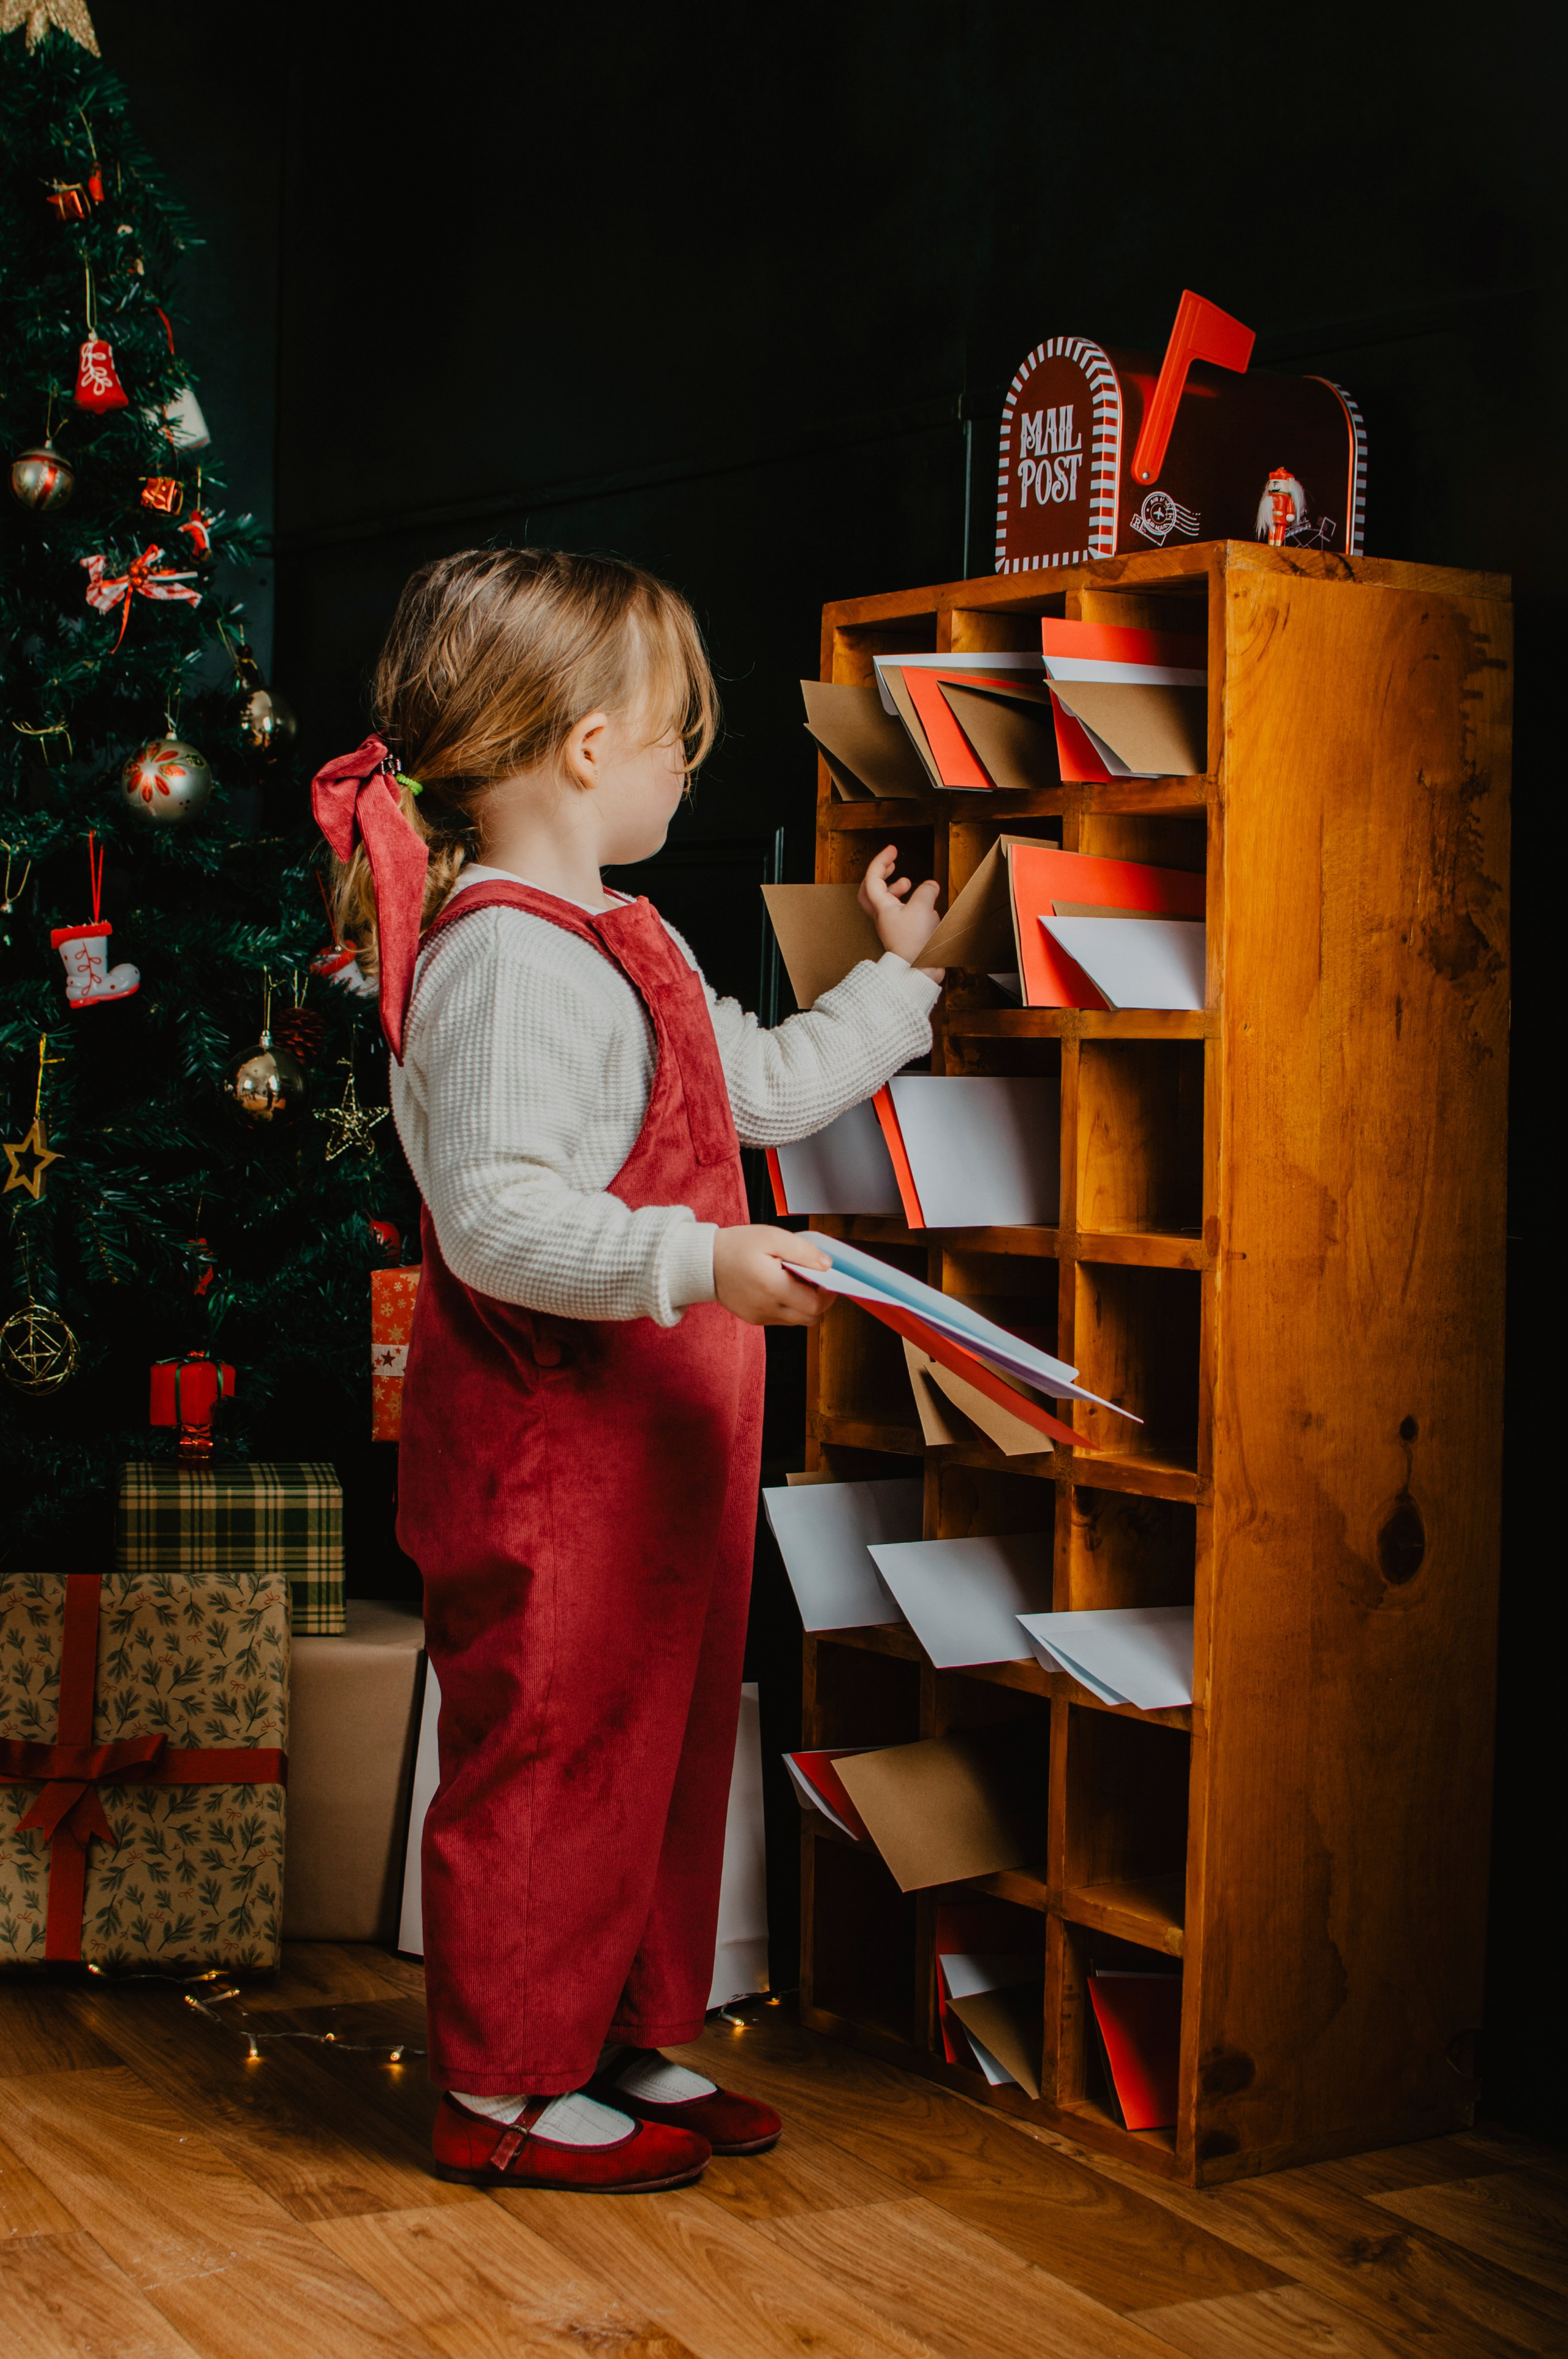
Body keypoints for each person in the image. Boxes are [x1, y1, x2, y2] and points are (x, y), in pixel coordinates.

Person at [314, 546, 944, 2194]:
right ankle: (504, 2082)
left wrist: (904, 980)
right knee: (551, 1747)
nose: (688, 762)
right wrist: (706, 1260)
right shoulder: (502, 960)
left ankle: (608, 2029)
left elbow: (765, 1086)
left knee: (658, 1746)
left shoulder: (632, 934)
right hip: (550, 1453)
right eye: (682, 731)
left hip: (664, 1447)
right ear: (592, 746)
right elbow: (501, 1216)